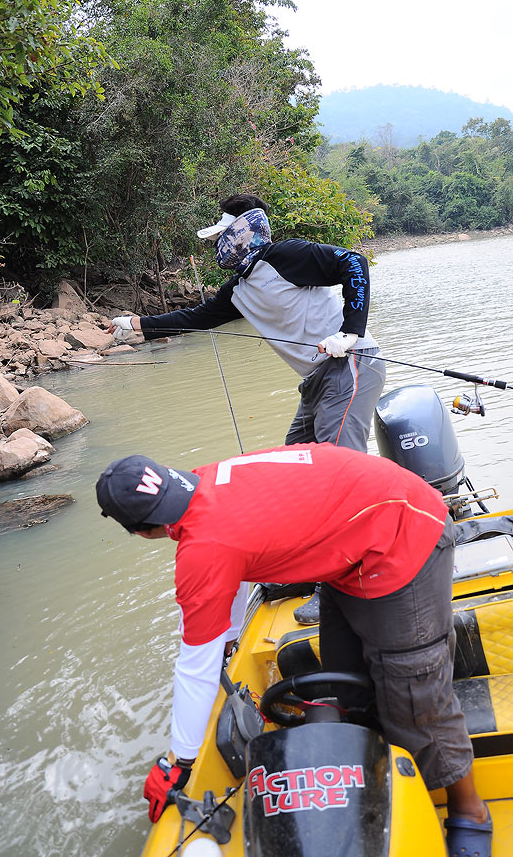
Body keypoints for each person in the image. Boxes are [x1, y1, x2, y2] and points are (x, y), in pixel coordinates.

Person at [96, 444, 492, 855]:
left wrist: (178, 764)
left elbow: (195, 668)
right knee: (346, 676)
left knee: (414, 695)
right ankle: (377, 764)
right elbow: (235, 557)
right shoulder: (203, 481)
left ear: (141, 530)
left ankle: (470, 811)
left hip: (404, 537)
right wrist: (229, 631)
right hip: (350, 553)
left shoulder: (203, 547)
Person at [106, 194, 386, 453]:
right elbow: (194, 318)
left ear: (241, 232)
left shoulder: (284, 256)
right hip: (316, 379)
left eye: (221, 235)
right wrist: (135, 324)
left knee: (337, 461)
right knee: (296, 453)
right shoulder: (238, 291)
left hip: (351, 362)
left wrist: (350, 333)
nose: (217, 243)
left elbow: (353, 262)